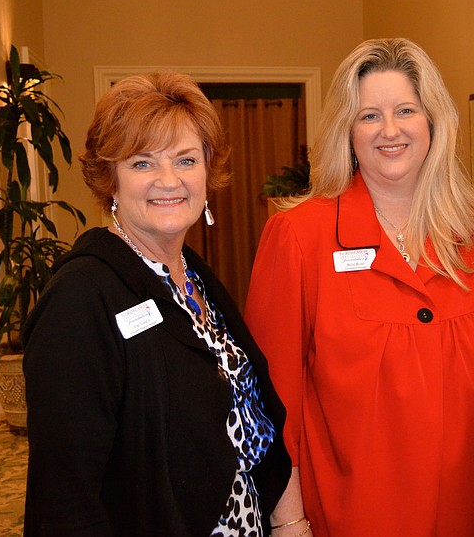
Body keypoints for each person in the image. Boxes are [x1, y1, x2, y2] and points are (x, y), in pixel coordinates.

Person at [244, 38, 474, 537]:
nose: (389, 130)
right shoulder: (299, 237)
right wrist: (289, 521)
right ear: (347, 130)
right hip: (349, 517)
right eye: (369, 116)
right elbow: (270, 401)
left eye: (405, 111)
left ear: (433, 120)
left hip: (468, 516)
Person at [23, 71, 291, 536]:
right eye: (143, 163)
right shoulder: (80, 299)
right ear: (110, 179)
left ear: (207, 171)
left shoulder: (193, 275)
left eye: (186, 160)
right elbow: (66, 497)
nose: (169, 181)